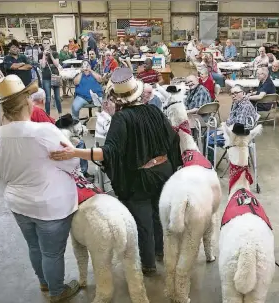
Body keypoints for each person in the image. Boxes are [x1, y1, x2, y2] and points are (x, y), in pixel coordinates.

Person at [49, 68, 182, 274]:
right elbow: (173, 139)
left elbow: (108, 152)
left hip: (140, 179)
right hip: (163, 171)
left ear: (118, 98)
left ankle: (148, 265)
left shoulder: (122, 119)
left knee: (143, 222)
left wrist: (75, 152)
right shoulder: (155, 111)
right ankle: (160, 252)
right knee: (158, 215)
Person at [0, 74, 81, 303]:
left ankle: (44, 282)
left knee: (34, 246)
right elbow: (73, 161)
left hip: (19, 203)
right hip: (51, 204)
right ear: (28, 101)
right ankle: (57, 291)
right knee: (52, 252)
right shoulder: (44, 131)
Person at [38, 38, 63, 116]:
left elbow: (57, 64)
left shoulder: (55, 53)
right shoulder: (40, 54)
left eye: (47, 43)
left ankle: (60, 115)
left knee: (58, 98)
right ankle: (48, 115)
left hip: (55, 75)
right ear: (42, 44)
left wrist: (51, 55)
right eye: (44, 43)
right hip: (46, 77)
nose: (46, 45)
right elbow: (43, 65)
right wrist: (44, 56)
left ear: (50, 44)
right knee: (48, 98)